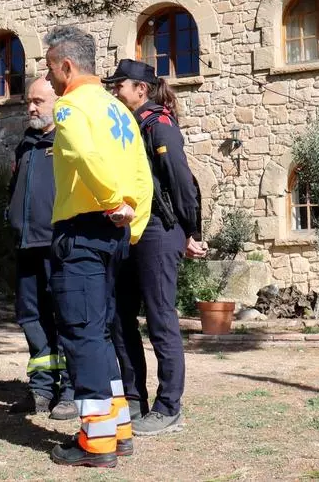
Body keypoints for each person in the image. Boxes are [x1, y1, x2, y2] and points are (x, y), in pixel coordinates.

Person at [42, 26, 153, 468]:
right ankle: (118, 429)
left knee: (80, 332)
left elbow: (86, 157)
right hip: (115, 235)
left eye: (50, 68)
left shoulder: (70, 107)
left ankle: (96, 442)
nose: (48, 79)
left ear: (66, 66)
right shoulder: (120, 109)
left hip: (84, 231)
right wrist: (133, 220)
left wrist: (110, 202)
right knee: (101, 330)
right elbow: (142, 170)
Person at [105, 59, 208, 437]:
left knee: (161, 317)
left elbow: (182, 181)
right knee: (119, 316)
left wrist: (191, 230)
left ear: (141, 90)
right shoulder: (128, 126)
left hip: (158, 231)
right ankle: (134, 399)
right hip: (131, 230)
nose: (115, 92)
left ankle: (169, 407)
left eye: (120, 86)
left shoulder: (157, 124)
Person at [5, 77, 77, 420]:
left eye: (38, 101)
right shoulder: (26, 144)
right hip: (26, 245)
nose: (31, 108)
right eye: (28, 102)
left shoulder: (68, 139)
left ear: (57, 101)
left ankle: (73, 391)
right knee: (32, 318)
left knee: (67, 318)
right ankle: (41, 388)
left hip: (58, 245)